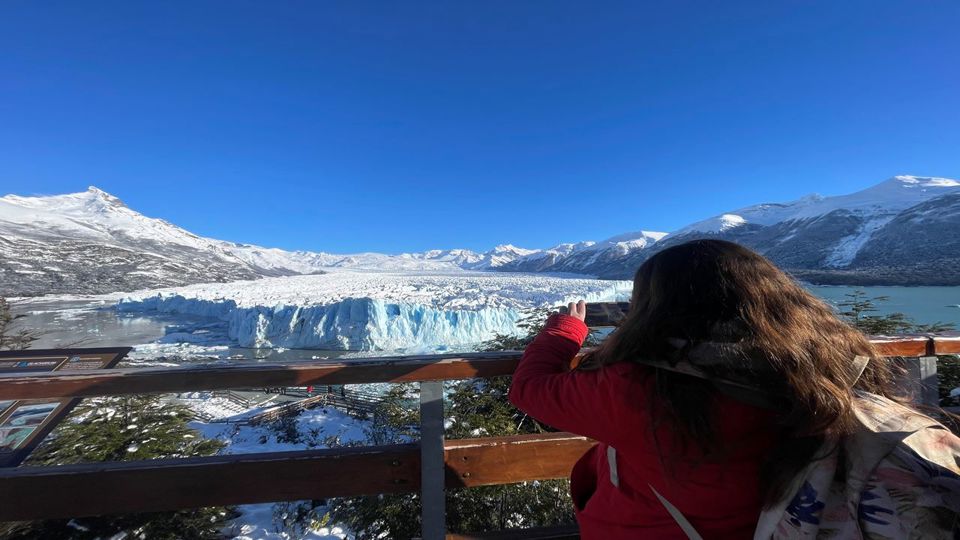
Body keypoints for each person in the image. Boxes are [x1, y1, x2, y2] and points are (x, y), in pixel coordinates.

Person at [508, 239, 960, 539]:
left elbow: (530, 389)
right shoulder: (826, 365)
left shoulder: (639, 387)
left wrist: (567, 330)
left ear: (657, 308)